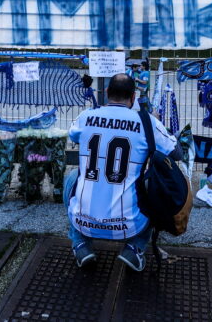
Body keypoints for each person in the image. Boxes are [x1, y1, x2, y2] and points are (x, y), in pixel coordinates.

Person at [64, 72, 177, 272]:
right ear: (133, 97)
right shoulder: (145, 121)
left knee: (73, 177)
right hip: (128, 225)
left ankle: (80, 243)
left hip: (83, 221)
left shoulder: (87, 116)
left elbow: (73, 135)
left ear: (107, 93)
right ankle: (135, 248)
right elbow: (177, 152)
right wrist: (156, 126)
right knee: (150, 184)